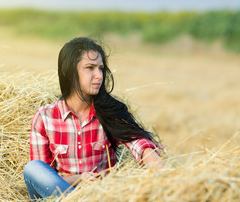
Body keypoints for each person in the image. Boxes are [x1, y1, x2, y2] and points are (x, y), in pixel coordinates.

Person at [23, 37, 164, 200]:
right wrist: (78, 179)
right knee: (33, 168)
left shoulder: (109, 112)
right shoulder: (45, 117)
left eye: (101, 68)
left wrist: (161, 172)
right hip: (59, 197)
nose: (99, 75)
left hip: (99, 197)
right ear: (70, 71)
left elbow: (139, 143)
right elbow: (43, 178)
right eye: (90, 68)